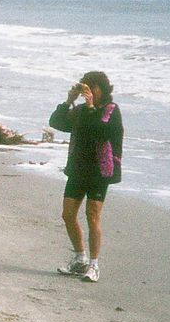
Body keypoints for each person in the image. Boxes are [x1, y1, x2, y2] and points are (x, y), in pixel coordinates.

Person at [48, 70, 123, 283]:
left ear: (103, 89)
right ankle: (80, 258)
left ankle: (94, 264)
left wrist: (90, 107)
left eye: (93, 88)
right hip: (79, 168)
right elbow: (57, 123)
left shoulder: (111, 110)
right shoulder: (80, 110)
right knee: (68, 214)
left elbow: (99, 131)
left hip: (100, 170)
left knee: (92, 217)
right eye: (86, 88)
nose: (90, 92)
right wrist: (69, 101)